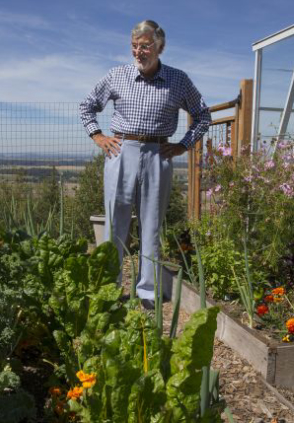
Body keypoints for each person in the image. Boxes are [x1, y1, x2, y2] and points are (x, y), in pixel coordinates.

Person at [79, 19, 211, 310]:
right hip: (120, 151)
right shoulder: (117, 75)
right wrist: (98, 135)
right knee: (115, 225)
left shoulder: (179, 80)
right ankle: (109, 291)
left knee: (151, 225)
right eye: (134, 46)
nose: (139, 52)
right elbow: (86, 105)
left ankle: (147, 291)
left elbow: (203, 116)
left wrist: (183, 145)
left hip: (158, 154)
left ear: (160, 48)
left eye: (145, 46)